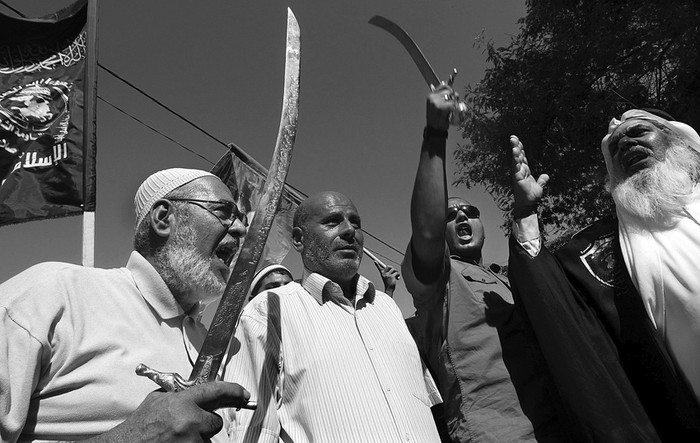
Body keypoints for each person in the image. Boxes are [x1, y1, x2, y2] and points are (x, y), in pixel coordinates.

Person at [0, 168, 252, 442]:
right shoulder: (53, 294)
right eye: (224, 212)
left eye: (239, 217)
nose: (240, 229)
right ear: (164, 218)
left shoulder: (211, 344)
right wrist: (131, 437)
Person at [509, 109, 700, 441]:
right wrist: (526, 212)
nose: (625, 142)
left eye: (639, 132)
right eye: (615, 146)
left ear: (675, 142)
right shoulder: (592, 252)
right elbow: (552, 305)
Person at [401, 84, 564, 442]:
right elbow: (426, 231)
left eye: (470, 212)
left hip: (562, 420)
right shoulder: (439, 282)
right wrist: (435, 134)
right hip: (499, 433)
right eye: (451, 215)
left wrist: (524, 210)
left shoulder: (507, 277)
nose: (461, 218)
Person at [223, 191, 442, 442]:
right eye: (332, 221)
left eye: (356, 223)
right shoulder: (269, 311)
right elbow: (254, 430)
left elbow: (427, 401)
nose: (350, 231)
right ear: (298, 240)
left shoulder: (387, 307)